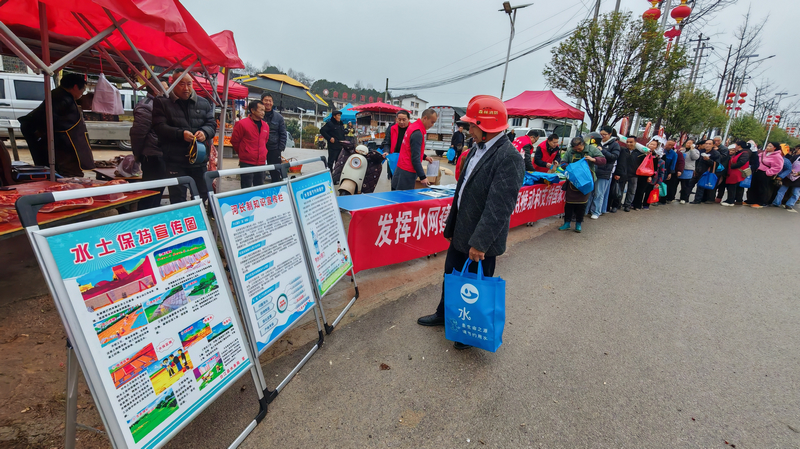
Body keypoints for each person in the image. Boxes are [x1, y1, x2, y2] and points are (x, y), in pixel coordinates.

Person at [416, 95, 524, 351]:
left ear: (485, 127)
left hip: (481, 240)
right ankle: (445, 314)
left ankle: (467, 331)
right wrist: (453, 226)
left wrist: (480, 243)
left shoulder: (509, 157)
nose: (467, 130)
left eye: (471, 125)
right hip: (461, 230)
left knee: (474, 287)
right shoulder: (477, 147)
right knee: (451, 276)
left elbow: (499, 207)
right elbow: (463, 190)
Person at [152, 69, 216, 203]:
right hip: (175, 160)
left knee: (202, 194)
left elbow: (212, 124)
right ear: (173, 84)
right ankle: (182, 220)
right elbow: (159, 127)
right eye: (181, 84)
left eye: (189, 83)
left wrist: (204, 132)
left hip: (199, 159)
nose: (186, 88)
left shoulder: (204, 103)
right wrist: (180, 134)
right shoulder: (162, 102)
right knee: (177, 197)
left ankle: (198, 219)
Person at [18, 73, 95, 177]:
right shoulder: (62, 98)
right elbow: (47, 119)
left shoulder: (60, 94)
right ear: (75, 87)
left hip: (54, 140)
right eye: (83, 90)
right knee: (64, 172)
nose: (82, 93)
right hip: (51, 141)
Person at [130, 80, 169, 210]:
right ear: (155, 90)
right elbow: (138, 134)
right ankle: (144, 221)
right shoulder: (146, 106)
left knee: (157, 192)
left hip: (162, 154)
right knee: (150, 193)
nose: (168, 90)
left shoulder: (162, 104)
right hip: (152, 156)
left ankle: (153, 218)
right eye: (166, 87)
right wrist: (137, 154)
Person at [558, 136, 606, 232]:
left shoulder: (591, 149)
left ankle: (578, 224)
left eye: (579, 149)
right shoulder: (570, 151)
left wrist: (593, 160)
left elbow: (603, 160)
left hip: (586, 181)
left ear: (583, 144)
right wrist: (571, 167)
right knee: (569, 203)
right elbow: (562, 162)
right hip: (573, 181)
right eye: (576, 149)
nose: (577, 150)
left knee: (582, 204)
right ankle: (567, 223)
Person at [391, 109, 437, 191]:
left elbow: (410, 148)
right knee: (403, 200)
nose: (432, 125)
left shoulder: (413, 127)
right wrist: (423, 177)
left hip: (401, 168)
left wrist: (424, 157)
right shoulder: (417, 133)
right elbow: (415, 158)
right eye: (432, 122)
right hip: (407, 172)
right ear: (425, 118)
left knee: (396, 196)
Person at [231, 100, 269, 188]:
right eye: (261, 110)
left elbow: (265, 141)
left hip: (261, 162)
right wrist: (244, 152)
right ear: (253, 110)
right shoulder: (242, 124)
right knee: (246, 189)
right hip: (247, 162)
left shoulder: (265, 126)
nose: (263, 113)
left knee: (259, 189)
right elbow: (235, 141)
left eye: (264, 110)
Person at [587, 127, 620, 218]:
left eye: (604, 135)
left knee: (599, 193)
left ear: (610, 134)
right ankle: (587, 210)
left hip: (604, 172)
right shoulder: (595, 142)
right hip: (593, 170)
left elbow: (613, 157)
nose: (602, 136)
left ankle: (596, 212)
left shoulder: (614, 145)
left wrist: (603, 150)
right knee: (590, 191)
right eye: (601, 134)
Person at [259, 93, 287, 182]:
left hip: (274, 149)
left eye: (270, 101)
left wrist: (280, 148)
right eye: (266, 100)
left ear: (272, 102)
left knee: (275, 173)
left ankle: (276, 192)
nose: (268, 102)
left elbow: (283, 133)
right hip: (260, 148)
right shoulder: (257, 116)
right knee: (259, 172)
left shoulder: (279, 117)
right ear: (261, 102)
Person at [749, 142, 785, 208]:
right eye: (768, 145)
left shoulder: (777, 156)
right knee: (754, 186)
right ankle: (751, 200)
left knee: (763, 188)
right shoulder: (763, 153)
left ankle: (761, 202)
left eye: (770, 146)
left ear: (775, 148)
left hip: (765, 173)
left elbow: (778, 167)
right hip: (757, 171)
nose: (768, 147)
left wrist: (768, 172)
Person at [381, 110, 411, 179]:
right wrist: (386, 151)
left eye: (404, 120)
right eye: (399, 119)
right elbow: (387, 142)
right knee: (394, 181)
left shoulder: (412, 129)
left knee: (404, 183)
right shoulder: (392, 128)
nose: (401, 122)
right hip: (394, 159)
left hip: (407, 160)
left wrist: (424, 156)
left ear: (408, 119)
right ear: (396, 119)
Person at [689, 139, 720, 204]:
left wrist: (708, 160)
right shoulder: (701, 151)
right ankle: (684, 198)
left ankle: (697, 200)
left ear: (713, 145)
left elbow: (715, 164)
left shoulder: (716, 154)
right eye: (706, 143)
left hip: (706, 172)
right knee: (689, 184)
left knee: (700, 187)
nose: (707, 145)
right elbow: (696, 161)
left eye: (709, 144)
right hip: (698, 171)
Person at [631, 140, 660, 210]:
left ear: (656, 147)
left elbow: (654, 168)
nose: (651, 146)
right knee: (635, 189)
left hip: (647, 175)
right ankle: (632, 202)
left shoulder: (655, 156)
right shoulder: (642, 152)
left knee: (641, 190)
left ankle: (638, 205)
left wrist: (650, 176)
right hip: (638, 173)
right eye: (651, 144)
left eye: (654, 145)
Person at [721, 140, 751, 206]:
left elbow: (741, 162)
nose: (735, 147)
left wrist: (732, 166)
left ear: (739, 146)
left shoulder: (744, 153)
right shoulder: (739, 152)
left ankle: (730, 200)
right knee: (734, 187)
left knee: (732, 186)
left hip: (737, 172)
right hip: (733, 172)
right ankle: (736, 199)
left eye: (736, 145)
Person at [678, 139, 698, 204]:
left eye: (690, 143)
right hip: (680, 169)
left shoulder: (695, 151)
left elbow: (695, 157)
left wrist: (692, 150)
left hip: (688, 170)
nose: (688, 144)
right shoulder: (683, 150)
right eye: (687, 143)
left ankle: (684, 198)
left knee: (685, 185)